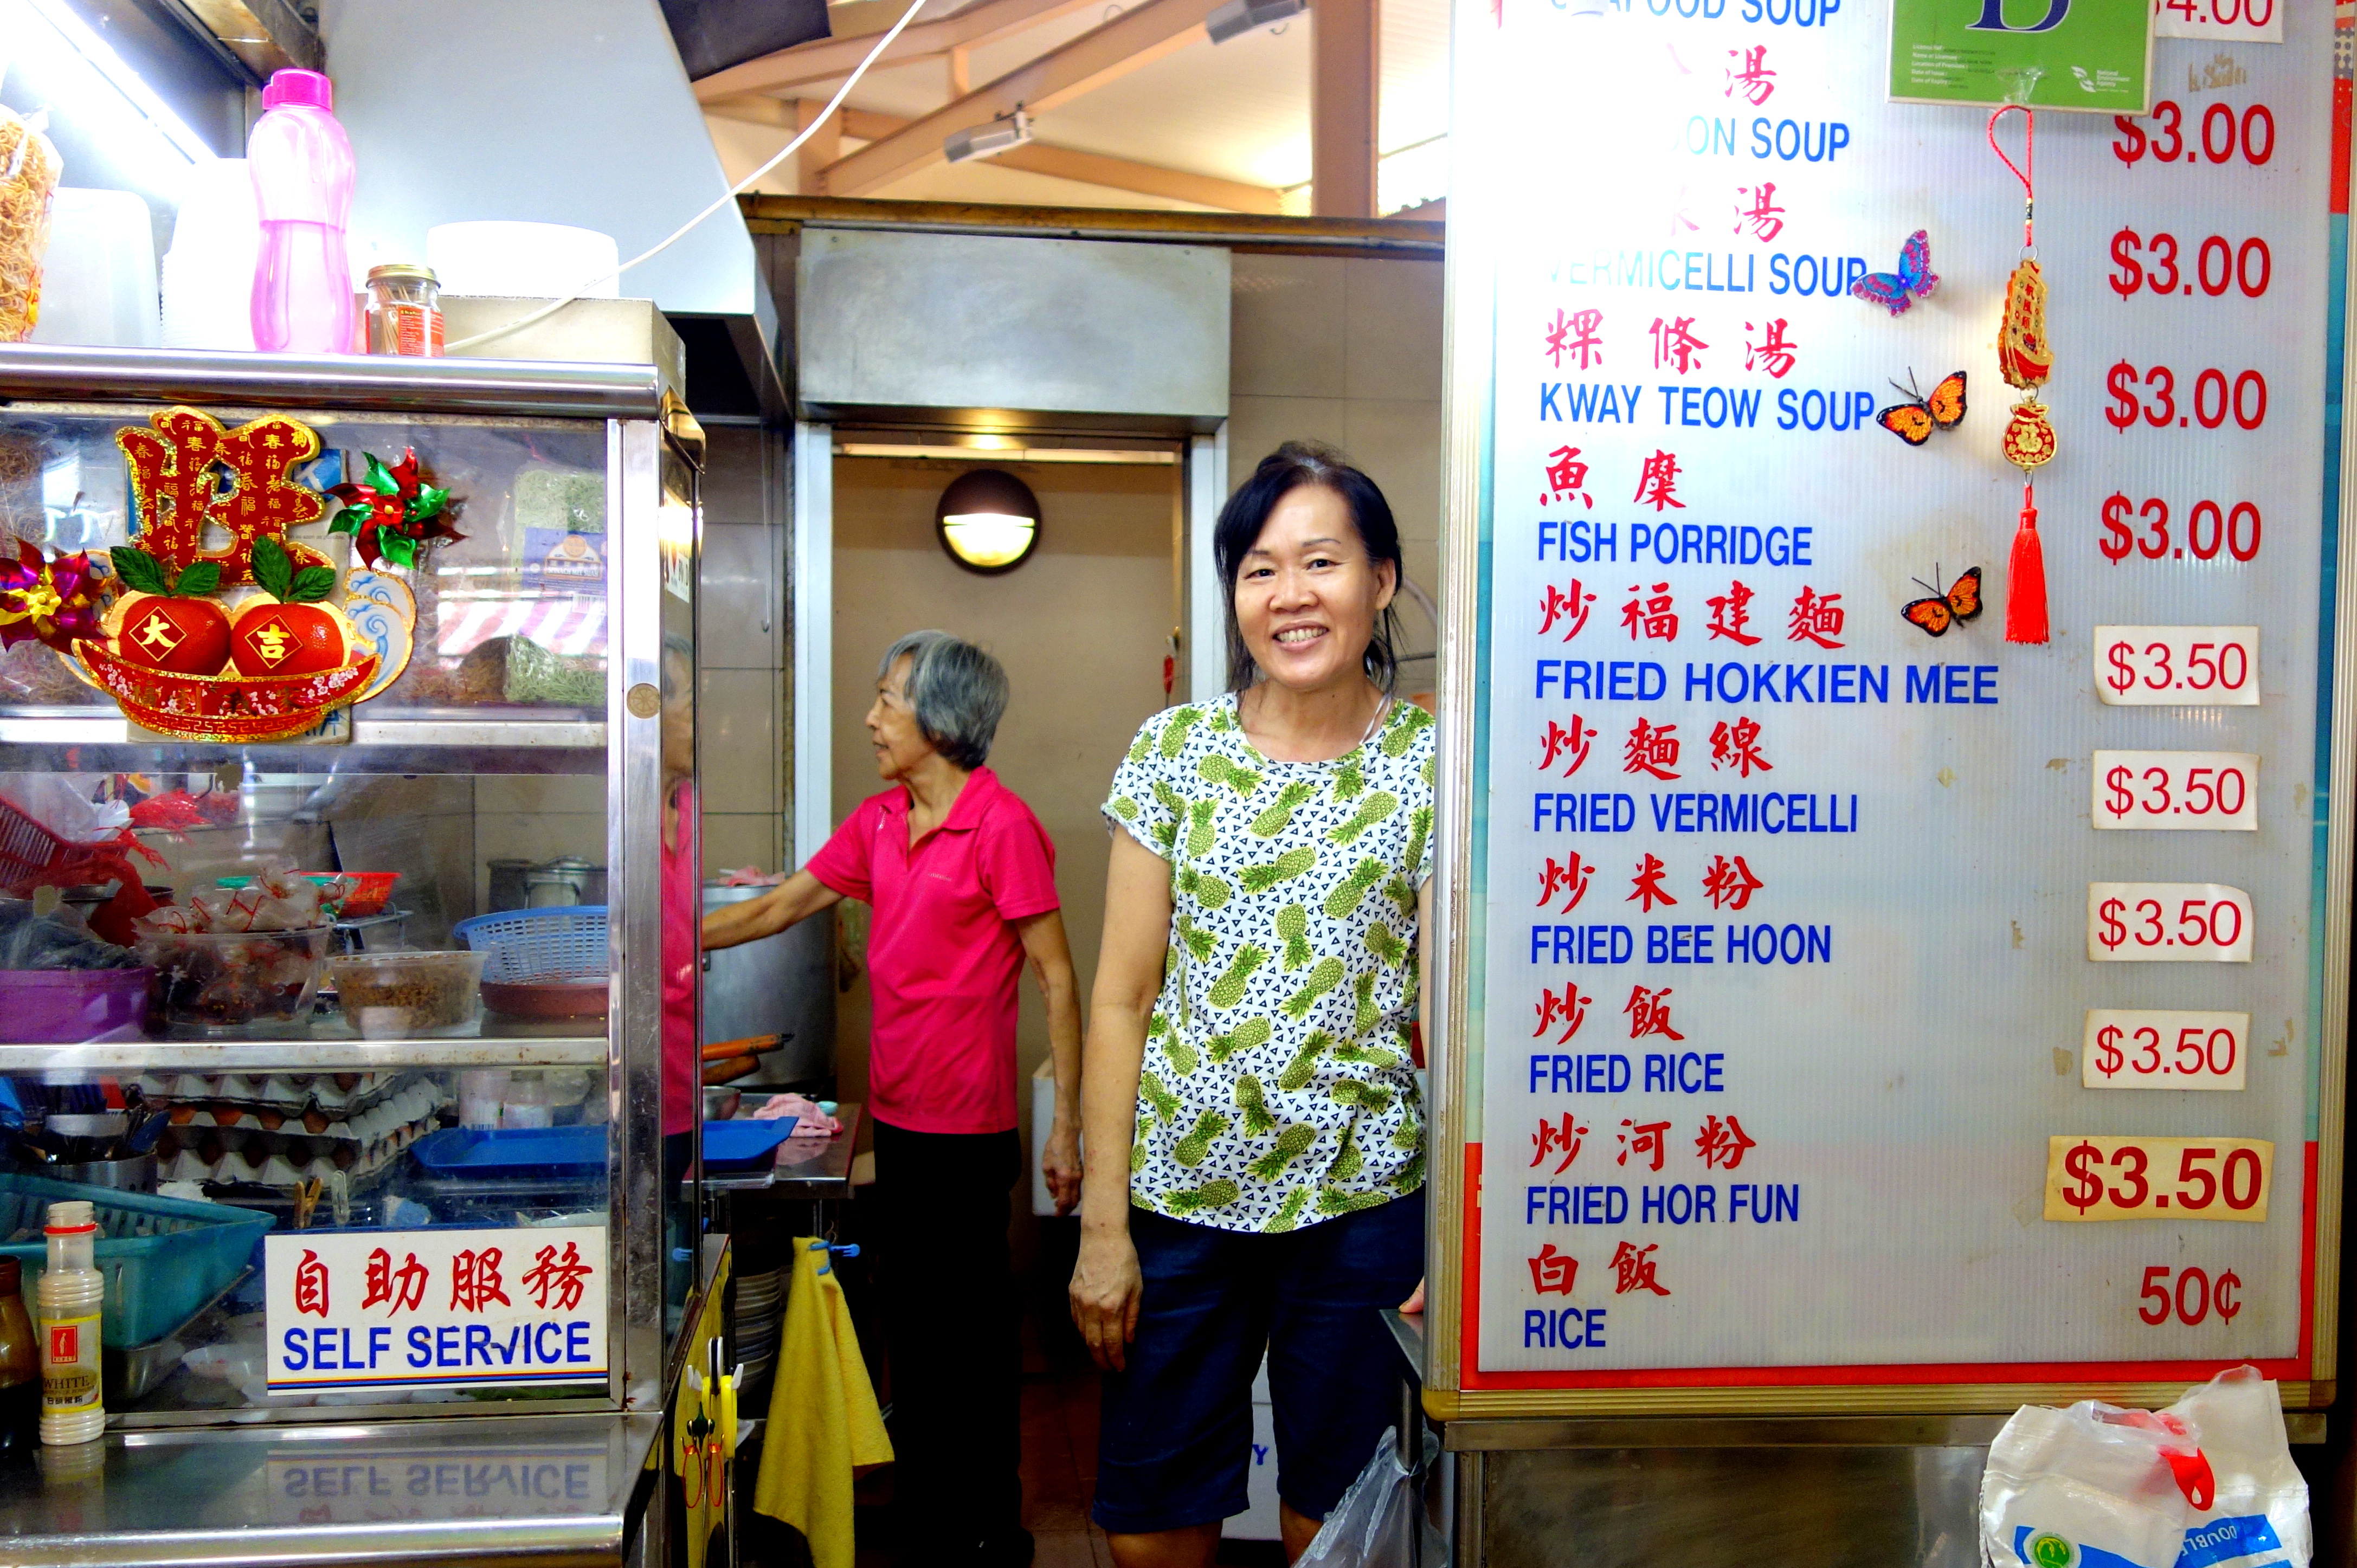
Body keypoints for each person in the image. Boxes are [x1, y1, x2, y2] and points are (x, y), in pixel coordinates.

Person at [1070, 442, 1433, 1567]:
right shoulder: (1174, 752)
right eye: (1258, 570)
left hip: (1362, 1205)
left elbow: (1460, 1019)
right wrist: (1100, 1224)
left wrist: (1468, 1243)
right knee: (1147, 1526)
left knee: (1336, 1525)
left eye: (1318, 562)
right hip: (1180, 1201)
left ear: (1378, 581)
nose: (1288, 596)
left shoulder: (1435, 762)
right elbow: (1119, 998)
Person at [703, 630, 1084, 1568]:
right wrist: (657, 944)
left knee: (971, 1340)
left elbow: (1058, 977)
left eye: (888, 699)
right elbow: (778, 906)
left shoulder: (1002, 827)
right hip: (900, 1120)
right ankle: (930, 1519)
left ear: (943, 719)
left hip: (971, 1130)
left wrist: (1066, 1123)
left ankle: (992, 1527)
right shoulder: (879, 824)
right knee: (911, 1331)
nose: (872, 717)